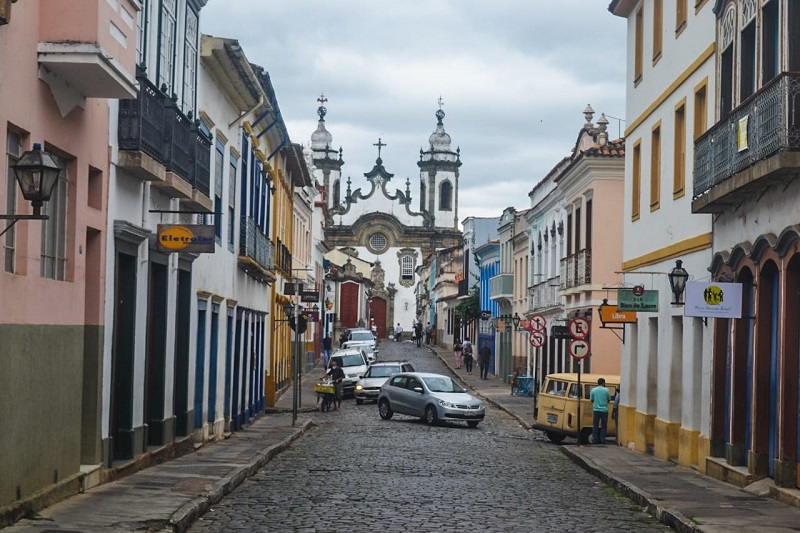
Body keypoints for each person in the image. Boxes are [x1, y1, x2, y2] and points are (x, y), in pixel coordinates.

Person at [589, 377, 611, 444]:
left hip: (596, 410)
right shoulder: (606, 390)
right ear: (603, 383)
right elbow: (609, 399)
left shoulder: (593, 390)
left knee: (595, 426)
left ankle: (595, 439)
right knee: (604, 426)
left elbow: (591, 400)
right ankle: (602, 440)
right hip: (604, 410)